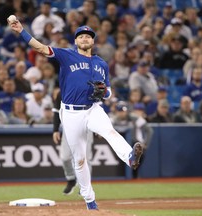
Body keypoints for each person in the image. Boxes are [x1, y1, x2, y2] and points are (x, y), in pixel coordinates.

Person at [8, 20, 143, 210]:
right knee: (79, 160)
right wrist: (22, 31)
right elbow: (40, 48)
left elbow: (109, 93)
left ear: (93, 42)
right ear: (76, 41)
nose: (85, 38)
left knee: (110, 132)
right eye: (81, 36)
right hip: (71, 113)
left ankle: (130, 157)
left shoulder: (101, 64)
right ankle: (90, 201)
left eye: (88, 36)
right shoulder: (66, 55)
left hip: (93, 108)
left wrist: (104, 92)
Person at [53, 90, 93, 195]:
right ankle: (71, 179)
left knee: (85, 158)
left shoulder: (88, 88)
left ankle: (85, 186)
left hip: (86, 126)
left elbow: (97, 108)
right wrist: (55, 129)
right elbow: (57, 111)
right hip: (69, 128)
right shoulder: (62, 91)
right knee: (65, 157)